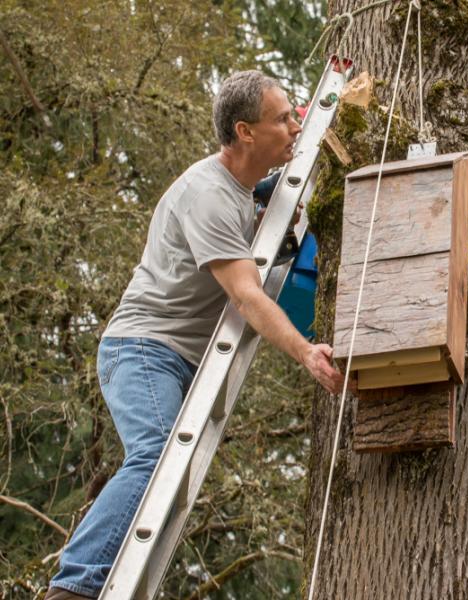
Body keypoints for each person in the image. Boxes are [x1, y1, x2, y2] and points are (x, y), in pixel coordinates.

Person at [44, 71, 345, 599]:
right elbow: (247, 296)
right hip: (142, 349)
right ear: (244, 131)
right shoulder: (208, 195)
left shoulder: (246, 189)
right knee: (156, 456)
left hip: (176, 357)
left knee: (160, 461)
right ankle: (73, 587)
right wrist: (303, 351)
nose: (296, 126)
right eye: (283, 118)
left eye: (298, 115)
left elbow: (274, 198)